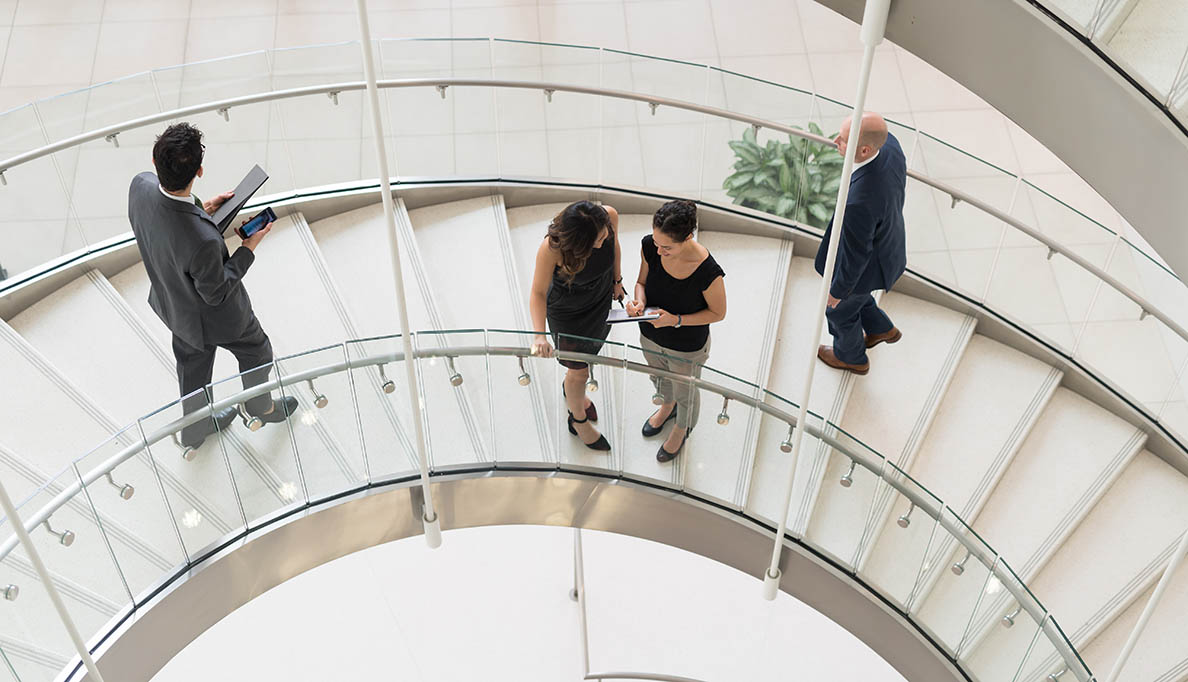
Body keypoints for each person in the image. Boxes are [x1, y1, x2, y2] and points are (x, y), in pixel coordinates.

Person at [128, 122, 297, 449]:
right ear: (200, 170)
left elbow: (166, 230)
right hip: (219, 320)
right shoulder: (203, 240)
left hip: (173, 305)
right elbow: (217, 291)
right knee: (258, 350)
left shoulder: (140, 186)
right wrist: (249, 247)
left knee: (193, 374)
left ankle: (195, 429)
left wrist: (201, 211)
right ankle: (259, 406)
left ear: (154, 162)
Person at [626, 200, 726, 462]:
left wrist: (676, 320)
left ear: (688, 238)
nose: (658, 252)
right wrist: (640, 301)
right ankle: (667, 406)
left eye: (667, 247)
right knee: (658, 377)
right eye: (657, 244)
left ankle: (683, 425)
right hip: (650, 335)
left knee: (686, 390)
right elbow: (641, 282)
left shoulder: (708, 272)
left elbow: (718, 313)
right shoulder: (650, 246)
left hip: (686, 345)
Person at [815, 112, 907, 375]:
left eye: (843, 140)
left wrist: (837, 293)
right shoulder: (890, 145)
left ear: (865, 150)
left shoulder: (859, 203)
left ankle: (852, 357)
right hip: (889, 243)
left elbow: (855, 258)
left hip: (869, 263)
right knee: (857, 299)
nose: (835, 141)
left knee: (840, 312)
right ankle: (881, 329)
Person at [529, 201, 624, 452]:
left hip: (599, 300)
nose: (603, 242)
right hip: (569, 312)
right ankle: (578, 420)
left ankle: (573, 389)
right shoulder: (552, 248)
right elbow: (538, 293)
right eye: (597, 240)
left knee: (584, 360)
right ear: (579, 243)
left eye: (604, 235)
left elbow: (614, 248)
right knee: (579, 370)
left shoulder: (608, 216)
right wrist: (540, 336)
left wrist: (617, 280)